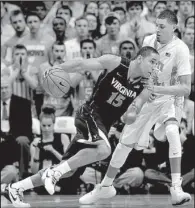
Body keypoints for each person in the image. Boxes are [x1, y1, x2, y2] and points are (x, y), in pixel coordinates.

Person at [3, 46, 160, 207]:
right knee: (104, 150)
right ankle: (53, 173)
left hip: (103, 126)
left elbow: (133, 110)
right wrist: (57, 68)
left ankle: (15, 188)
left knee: (69, 170)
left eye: (157, 64)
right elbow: (80, 64)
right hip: (90, 113)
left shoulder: (146, 86)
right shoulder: (116, 63)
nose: (154, 67)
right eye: (152, 62)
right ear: (140, 58)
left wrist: (132, 114)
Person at [80, 10, 192, 206]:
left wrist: (156, 88)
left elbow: (185, 88)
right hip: (145, 100)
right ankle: (105, 187)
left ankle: (176, 187)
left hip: (167, 100)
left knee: (173, 131)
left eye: (162, 26)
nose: (157, 29)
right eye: (156, 25)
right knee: (124, 145)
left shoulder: (181, 49)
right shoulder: (148, 40)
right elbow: (140, 70)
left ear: (174, 27)